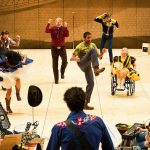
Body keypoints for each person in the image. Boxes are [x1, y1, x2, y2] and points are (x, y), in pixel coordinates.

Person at [46, 87, 114, 150]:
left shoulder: (59, 128)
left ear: (67, 104)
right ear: (84, 102)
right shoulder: (97, 121)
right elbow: (109, 147)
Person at [71, 32, 105, 110]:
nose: (90, 39)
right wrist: (76, 58)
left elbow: (99, 57)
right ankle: (96, 69)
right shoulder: (80, 46)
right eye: (88, 38)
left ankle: (85, 103)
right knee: (92, 50)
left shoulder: (93, 45)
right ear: (84, 38)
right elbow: (72, 57)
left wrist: (102, 53)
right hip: (82, 63)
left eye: (91, 38)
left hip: (88, 66)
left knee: (91, 84)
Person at [45, 18, 69, 84]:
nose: (58, 23)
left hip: (62, 48)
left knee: (65, 61)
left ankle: (62, 72)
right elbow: (46, 30)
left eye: (60, 22)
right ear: (55, 22)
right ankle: (56, 79)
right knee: (55, 64)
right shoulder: (52, 28)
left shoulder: (64, 28)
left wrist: (66, 27)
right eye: (57, 22)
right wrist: (48, 23)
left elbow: (67, 35)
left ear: (61, 23)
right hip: (54, 48)